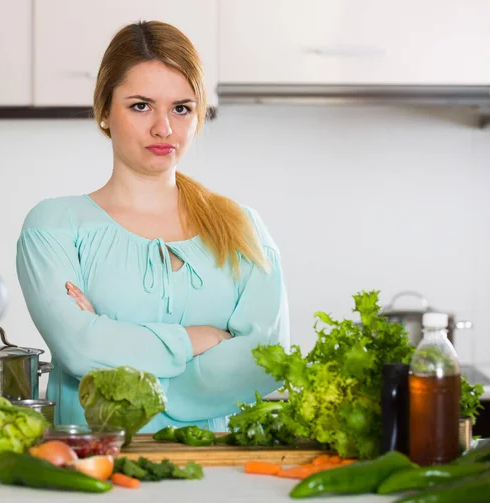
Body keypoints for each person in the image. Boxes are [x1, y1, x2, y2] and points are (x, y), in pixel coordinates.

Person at [16, 20, 290, 432]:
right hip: (96, 474)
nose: (164, 128)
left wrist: (114, 343)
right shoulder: (54, 227)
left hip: (215, 478)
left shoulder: (243, 228)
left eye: (181, 108)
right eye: (141, 105)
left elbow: (265, 362)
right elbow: (78, 349)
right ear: (104, 112)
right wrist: (202, 339)